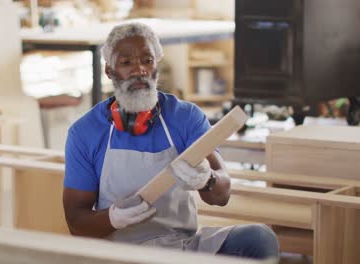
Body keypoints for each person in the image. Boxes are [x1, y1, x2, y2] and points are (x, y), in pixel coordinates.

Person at [63, 22, 279, 260]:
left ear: (156, 65)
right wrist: (113, 217)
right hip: (119, 255)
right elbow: (76, 222)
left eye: (147, 60)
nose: (139, 70)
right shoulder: (85, 133)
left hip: (180, 249)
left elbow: (222, 194)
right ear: (109, 71)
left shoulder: (186, 117)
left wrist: (207, 179)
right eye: (126, 63)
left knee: (259, 239)